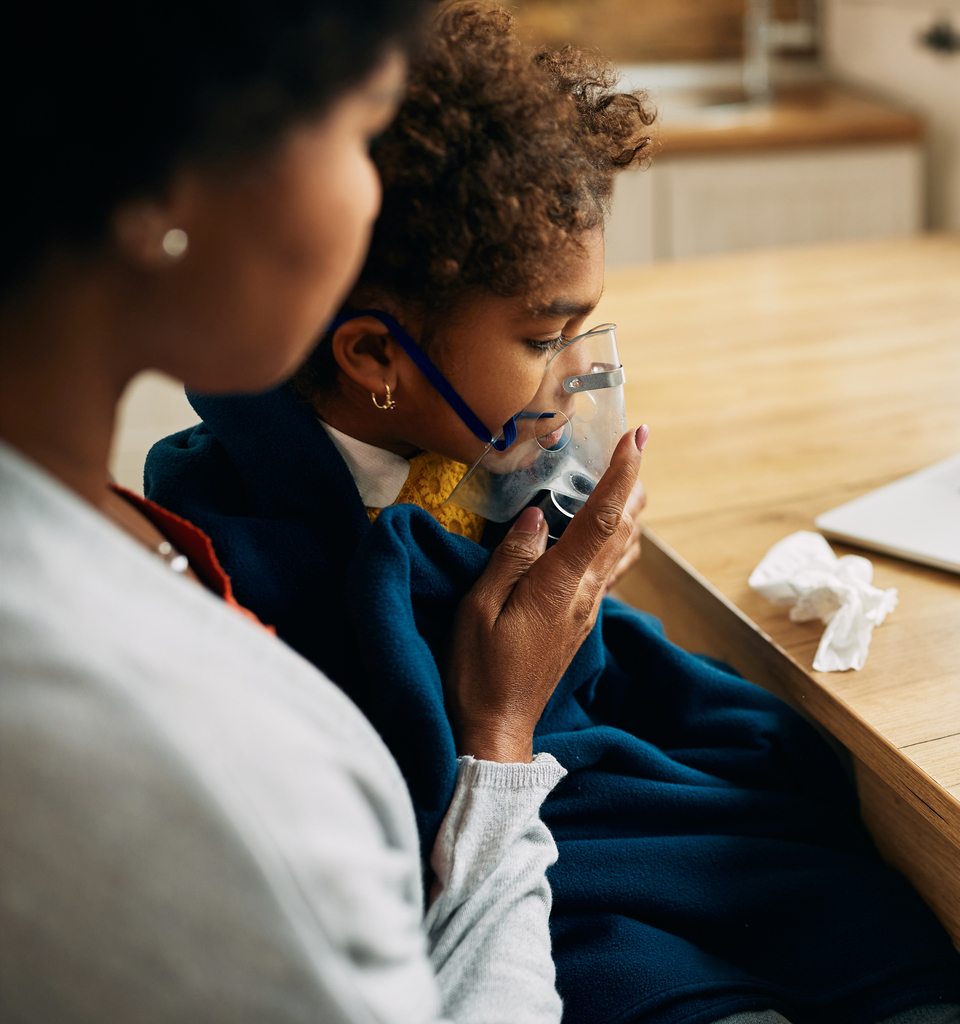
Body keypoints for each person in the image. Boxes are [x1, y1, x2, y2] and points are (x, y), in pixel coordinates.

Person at [142, 5, 960, 1024]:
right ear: (372, 360)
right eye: (547, 335)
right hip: (523, 886)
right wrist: (507, 695)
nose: (582, 368)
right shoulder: (237, 548)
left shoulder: (469, 452)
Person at [0, 4, 644, 1021]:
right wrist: (499, 739)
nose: (369, 193)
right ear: (168, 176)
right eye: (359, 127)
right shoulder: (195, 755)